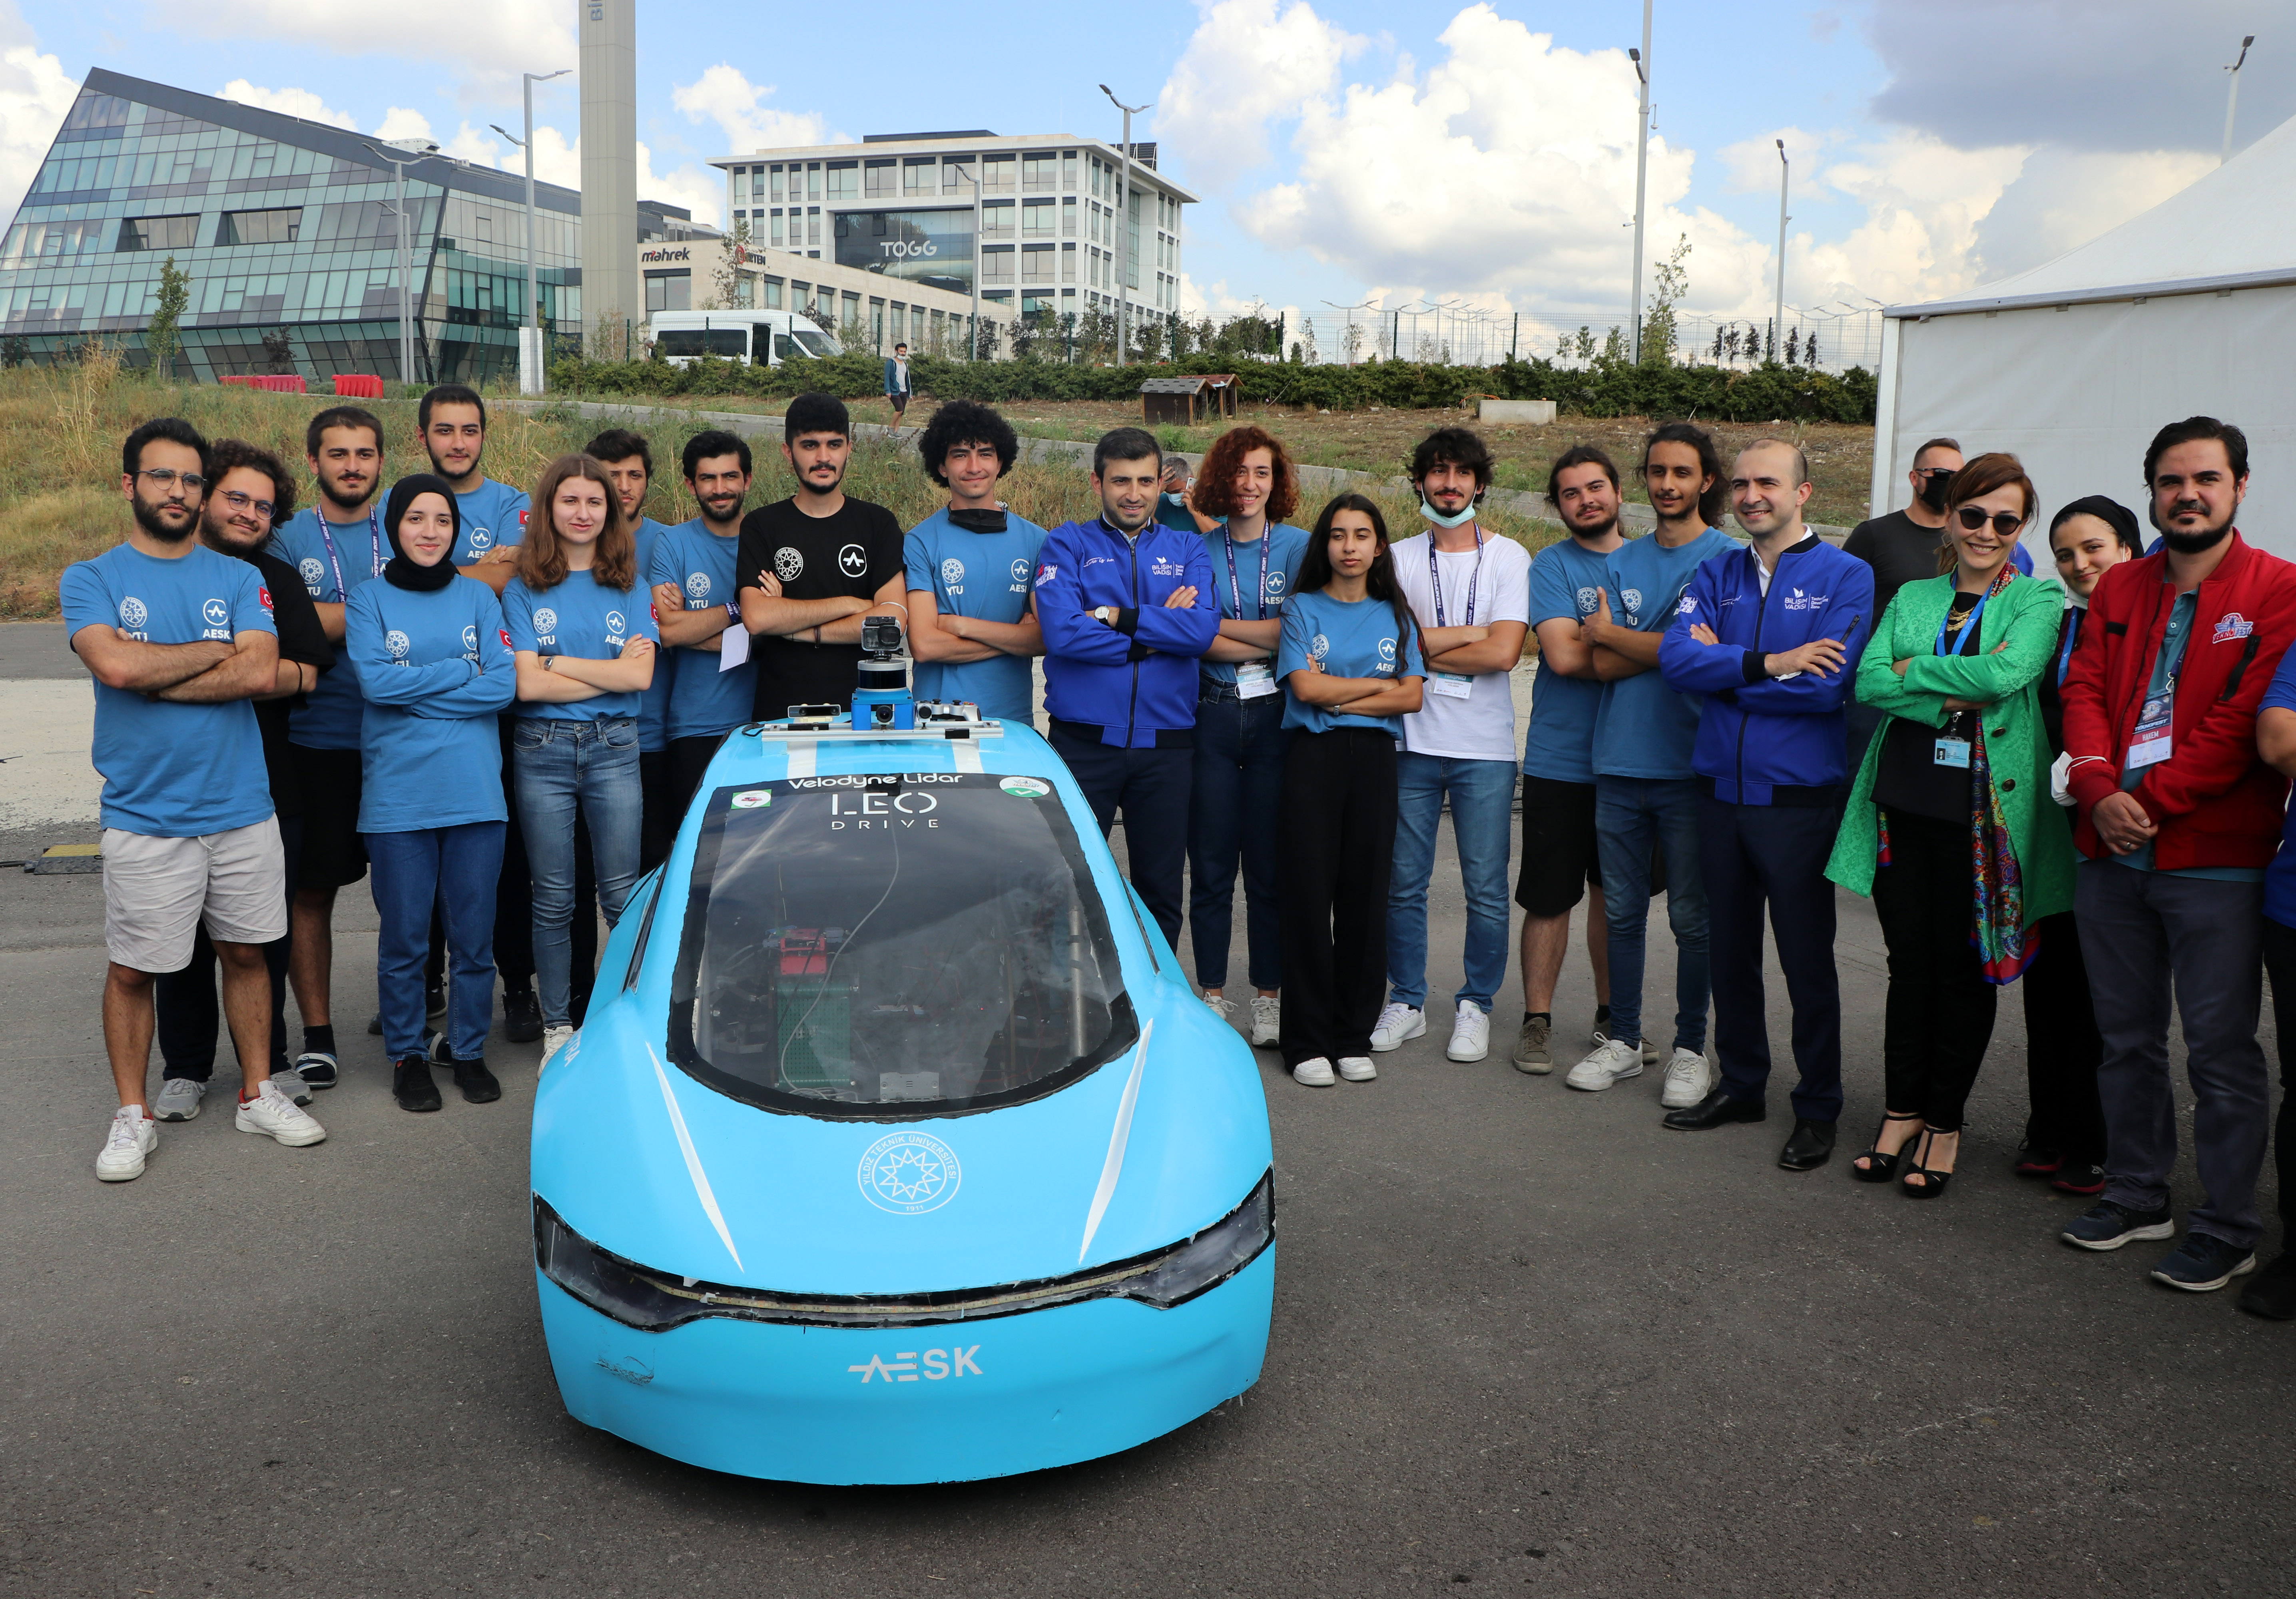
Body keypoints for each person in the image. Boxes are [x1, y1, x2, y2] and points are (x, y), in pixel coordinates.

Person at [2059, 416, 2296, 1293]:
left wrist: (2146, 801)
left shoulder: (2278, 588)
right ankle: (2135, 1193)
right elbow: (2083, 687)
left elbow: (2242, 724)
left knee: (2220, 1052)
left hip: (2213, 861)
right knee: (2123, 1040)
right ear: (2151, 491)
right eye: (2169, 481)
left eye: (2205, 479)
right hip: (2107, 851)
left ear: (2239, 486)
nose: (2186, 495)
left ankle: (2228, 1226)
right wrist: (2096, 788)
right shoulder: (2120, 584)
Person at [63, 419, 324, 1180]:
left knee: (248, 954)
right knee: (133, 971)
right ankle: (131, 1115)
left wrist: (156, 672)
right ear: (130, 484)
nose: (177, 491)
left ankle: (257, 1091)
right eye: (161, 476)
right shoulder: (91, 578)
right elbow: (114, 667)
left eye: (189, 479)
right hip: (146, 815)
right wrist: (211, 653)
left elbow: (259, 672)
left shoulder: (239, 578)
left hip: (243, 810)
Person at [1826, 452, 2076, 1196]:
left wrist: (1916, 673)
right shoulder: (1913, 595)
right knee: (1909, 966)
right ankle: (1900, 1113)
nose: (1986, 531)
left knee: (1964, 972)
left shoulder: (2035, 597)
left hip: (1984, 819)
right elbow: (1869, 680)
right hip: (1903, 807)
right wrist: (1947, 692)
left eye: (2006, 520)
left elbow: (2008, 675)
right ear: (1951, 515)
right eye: (1973, 514)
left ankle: (1943, 1122)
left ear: (2020, 527)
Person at [1656, 439, 1873, 1172]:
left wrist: (1724, 672)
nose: (1751, 496)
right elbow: (1675, 661)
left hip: (1796, 801)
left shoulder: (1846, 574)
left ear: (1802, 492)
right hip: (1719, 794)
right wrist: (1771, 663)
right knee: (1730, 954)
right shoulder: (1715, 570)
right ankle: (1743, 1084)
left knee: (1806, 961)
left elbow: (1825, 687)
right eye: (1743, 483)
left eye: (1768, 483)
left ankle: (1817, 1106)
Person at [152, 440, 332, 1122]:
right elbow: (129, 663)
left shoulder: (278, 581)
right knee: (182, 942)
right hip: (172, 783)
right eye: (237, 498)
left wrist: (179, 675)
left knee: (263, 937)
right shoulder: (158, 573)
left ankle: (272, 1063)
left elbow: (303, 671)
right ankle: (185, 1068)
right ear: (203, 495)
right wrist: (244, 669)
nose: (250, 514)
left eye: (264, 507)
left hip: (267, 784)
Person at [1561, 424, 1737, 1105]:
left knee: (1692, 919)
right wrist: (1662, 646)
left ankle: (1691, 1050)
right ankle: (1625, 1041)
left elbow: (1711, 660)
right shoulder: (1622, 561)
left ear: (1706, 481)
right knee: (1624, 915)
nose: (1667, 484)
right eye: (1657, 472)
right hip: (1618, 761)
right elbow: (1601, 663)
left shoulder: (1728, 560)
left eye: (1681, 473)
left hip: (1691, 767)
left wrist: (1619, 636)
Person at [347, 475, 517, 1112]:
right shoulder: (368, 599)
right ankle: (408, 1054)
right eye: (416, 518)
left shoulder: (478, 597)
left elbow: (502, 686)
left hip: (475, 796)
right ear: (395, 525)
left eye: (442, 520)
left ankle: (468, 1051)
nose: (430, 531)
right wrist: (458, 671)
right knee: (405, 942)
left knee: (474, 941)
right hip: (398, 801)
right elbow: (375, 684)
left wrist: (416, 688)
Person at [1373, 427, 1531, 1064]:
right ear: (1419, 482)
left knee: (1486, 889)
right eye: (1437, 471)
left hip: (1484, 750)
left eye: (1462, 472)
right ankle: (1407, 1001)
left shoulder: (1510, 557)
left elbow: (1504, 653)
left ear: (1480, 484)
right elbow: (1386, 647)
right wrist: (1470, 632)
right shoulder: (1395, 558)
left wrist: (1422, 641)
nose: (1449, 484)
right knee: (1403, 885)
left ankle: (1476, 1006)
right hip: (1409, 742)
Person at [1034, 426, 1220, 949]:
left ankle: (1154, 991)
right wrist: (1157, 634)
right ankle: (1068, 990)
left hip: (1166, 749)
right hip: (1083, 744)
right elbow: (1062, 633)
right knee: (1068, 884)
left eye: (1144, 481)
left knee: (1160, 893)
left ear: (1161, 483)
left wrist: (1114, 616)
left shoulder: (1188, 547)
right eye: (1120, 481)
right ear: (1098, 483)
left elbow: (1200, 632)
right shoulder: (1066, 543)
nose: (1133, 494)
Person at [503, 455, 660, 1062]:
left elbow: (639, 677)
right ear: (549, 508)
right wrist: (608, 672)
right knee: (553, 898)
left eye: (595, 502)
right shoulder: (523, 588)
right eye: (570, 500)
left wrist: (556, 663)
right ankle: (558, 1027)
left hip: (614, 747)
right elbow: (527, 686)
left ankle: (624, 1016)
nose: (583, 512)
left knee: (621, 897)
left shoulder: (630, 585)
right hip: (541, 749)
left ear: (609, 511)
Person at [1274, 494, 1426, 1087]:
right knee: (1309, 897)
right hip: (1313, 759)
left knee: (1365, 897)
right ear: (1325, 544)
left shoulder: (1397, 615)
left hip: (1374, 763)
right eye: (1338, 535)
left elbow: (1411, 696)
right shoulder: (1300, 608)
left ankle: (1351, 1035)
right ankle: (1306, 1042)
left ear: (1379, 546)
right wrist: (1374, 687)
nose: (1349, 547)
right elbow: (1306, 691)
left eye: (1362, 535)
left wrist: (1341, 692)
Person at [2019, 496, 2143, 1197]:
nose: (2078, 564)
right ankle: (2047, 1127)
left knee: (2106, 997)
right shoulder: (2057, 625)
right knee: (2049, 985)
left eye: (2093, 548)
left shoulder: (2152, 625)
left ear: (2127, 547)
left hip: (2117, 826)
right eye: (2064, 554)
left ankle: (2095, 1142)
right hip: (2049, 832)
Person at [415, 384, 545, 1041]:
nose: (458, 442)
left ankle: (517, 984)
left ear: (484, 436)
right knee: (427, 851)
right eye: (445, 430)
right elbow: (397, 582)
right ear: (423, 438)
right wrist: (481, 567)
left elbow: (522, 571)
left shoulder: (514, 504)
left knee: (507, 856)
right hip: (423, 706)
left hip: (498, 704)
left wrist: (440, 572)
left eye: (469, 430)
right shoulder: (405, 500)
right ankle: (426, 983)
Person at [270, 405, 389, 1088]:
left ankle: (411, 1018)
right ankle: (318, 1037)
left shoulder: (407, 525)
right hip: (318, 741)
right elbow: (291, 627)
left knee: (410, 894)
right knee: (313, 892)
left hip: (401, 740)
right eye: (338, 454)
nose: (352, 466)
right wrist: (388, 611)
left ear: (381, 462)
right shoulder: (286, 538)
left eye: (364, 453)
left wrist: (333, 620)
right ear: (314, 461)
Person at [1187, 424, 1311, 1046]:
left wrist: (1220, 626)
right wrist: (1264, 632)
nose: (1249, 484)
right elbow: (1190, 638)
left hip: (1276, 720)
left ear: (1276, 481)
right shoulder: (1196, 549)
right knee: (1211, 867)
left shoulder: (1300, 547)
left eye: (1261, 472)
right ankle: (1211, 994)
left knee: (1268, 868)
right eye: (1239, 472)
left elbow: (1301, 632)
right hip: (1211, 715)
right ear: (1220, 478)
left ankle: (1269, 997)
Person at [1513, 447, 1622, 1072]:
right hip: (1559, 760)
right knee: (1549, 898)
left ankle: (1615, 1020)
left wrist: (1606, 641)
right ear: (1557, 505)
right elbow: (1562, 657)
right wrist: (1652, 652)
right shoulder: (1551, 565)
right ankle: (1537, 1022)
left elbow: (1686, 653)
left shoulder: (1649, 561)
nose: (1586, 500)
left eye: (1595, 487)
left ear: (1617, 493)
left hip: (1632, 760)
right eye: (1571, 492)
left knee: (1616, 898)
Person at [736, 392, 907, 719]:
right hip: (782, 714)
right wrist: (852, 604)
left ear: (849, 449)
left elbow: (892, 623)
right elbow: (757, 618)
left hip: (864, 711)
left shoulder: (878, 524)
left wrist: (794, 629)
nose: (824, 457)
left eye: (834, 444)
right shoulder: (761, 526)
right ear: (789, 452)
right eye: (810, 445)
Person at [903, 399, 1048, 724]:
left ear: (1000, 462)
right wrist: (1015, 639)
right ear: (942, 467)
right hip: (936, 721)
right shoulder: (919, 542)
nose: (973, 467)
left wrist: (960, 626)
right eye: (960, 455)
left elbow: (1045, 638)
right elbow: (925, 645)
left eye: (985, 453)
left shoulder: (1037, 541)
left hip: (1012, 722)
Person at [648, 430, 756, 817]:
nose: (720, 488)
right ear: (690, 485)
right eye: (708, 478)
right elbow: (666, 632)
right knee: (697, 843)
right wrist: (740, 610)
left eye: (730, 476)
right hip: (695, 725)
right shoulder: (672, 543)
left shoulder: (769, 538)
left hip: (763, 723)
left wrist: (694, 626)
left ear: (747, 480)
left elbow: (781, 632)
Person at [586, 429, 679, 871]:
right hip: (582, 727)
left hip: (652, 732)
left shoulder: (670, 543)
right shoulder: (569, 544)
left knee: (650, 863)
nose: (624, 486)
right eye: (612, 475)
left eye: (634, 475)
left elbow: (675, 626)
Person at [1156, 453, 1201, 533]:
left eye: (1176, 492)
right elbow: (1146, 529)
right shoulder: (1163, 501)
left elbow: (1220, 536)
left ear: (1191, 480)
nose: (1172, 497)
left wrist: (1195, 512)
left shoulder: (1209, 500)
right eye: (1168, 492)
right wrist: (1157, 492)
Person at [883, 340, 912, 423]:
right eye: (901, 351)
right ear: (897, 351)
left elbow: (907, 379)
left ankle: (896, 430)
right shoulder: (891, 363)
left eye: (904, 352)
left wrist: (910, 393)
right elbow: (887, 377)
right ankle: (890, 428)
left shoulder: (905, 364)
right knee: (899, 410)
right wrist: (888, 390)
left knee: (901, 413)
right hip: (895, 391)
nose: (903, 353)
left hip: (904, 391)